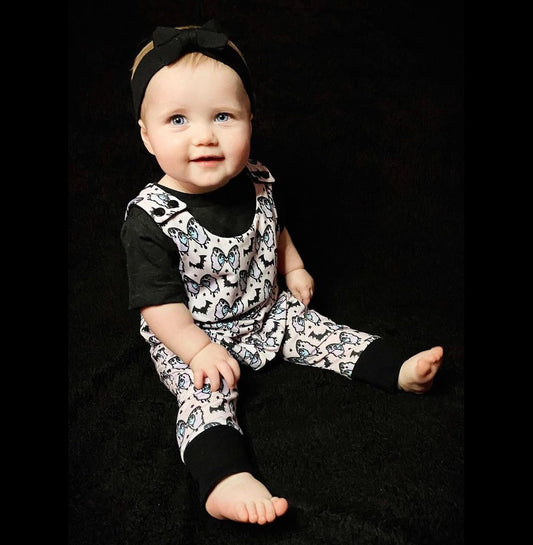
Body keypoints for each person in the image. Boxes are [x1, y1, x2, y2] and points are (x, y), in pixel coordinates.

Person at [121, 20, 443, 526]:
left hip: (268, 311)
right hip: (192, 334)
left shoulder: (258, 180)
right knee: (204, 394)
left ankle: (394, 368)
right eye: (178, 120)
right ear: (146, 135)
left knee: (322, 331)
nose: (205, 136)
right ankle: (225, 479)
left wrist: (293, 267)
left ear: (251, 119)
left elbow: (274, 228)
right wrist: (198, 350)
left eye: (223, 116)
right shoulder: (150, 219)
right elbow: (157, 304)